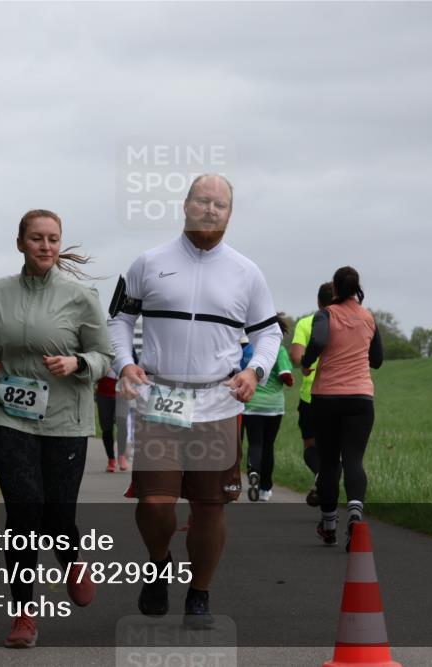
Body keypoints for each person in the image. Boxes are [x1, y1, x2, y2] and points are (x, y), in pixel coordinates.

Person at [108, 174, 282, 627]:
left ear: (230, 214)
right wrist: (125, 364)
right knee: (154, 504)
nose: (210, 210)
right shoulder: (146, 263)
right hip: (159, 399)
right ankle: (159, 560)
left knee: (209, 507)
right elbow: (119, 322)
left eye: (220, 204)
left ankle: (199, 593)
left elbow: (268, 333)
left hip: (217, 403)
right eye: (202, 201)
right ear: (185, 205)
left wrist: (254, 370)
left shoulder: (247, 272)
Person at [0, 208, 114, 648]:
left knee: (56, 515)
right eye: (36, 238)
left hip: (64, 419)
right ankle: (23, 615)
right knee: (24, 510)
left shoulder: (81, 296)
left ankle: (71, 559)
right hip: (6, 412)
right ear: (20, 243)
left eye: (53, 238)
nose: (46, 246)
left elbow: (104, 355)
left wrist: (77, 363)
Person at [301, 266, 383, 551]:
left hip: (327, 398)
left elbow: (320, 339)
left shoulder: (326, 314)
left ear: (334, 290)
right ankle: (356, 516)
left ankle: (330, 525)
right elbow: (377, 359)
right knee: (354, 460)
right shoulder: (368, 317)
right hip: (361, 398)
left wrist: (308, 361)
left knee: (329, 463)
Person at [289, 282, 334, 506]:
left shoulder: (306, 323)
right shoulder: (350, 322)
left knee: (311, 446)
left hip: (311, 396)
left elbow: (296, 356)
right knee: (336, 447)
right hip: (346, 395)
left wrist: (305, 364)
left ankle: (319, 475)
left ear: (318, 302)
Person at [241, 315, 294, 502]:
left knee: (255, 443)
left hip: (250, 404)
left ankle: (253, 471)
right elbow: (286, 375)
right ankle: (265, 489)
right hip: (273, 406)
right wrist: (290, 380)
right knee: (268, 446)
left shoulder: (247, 349)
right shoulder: (278, 350)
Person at [95, 368, 129, 472]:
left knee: (122, 424)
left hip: (122, 393)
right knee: (107, 428)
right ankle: (111, 459)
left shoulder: (126, 352)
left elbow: (134, 363)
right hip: (104, 394)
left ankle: (121, 456)